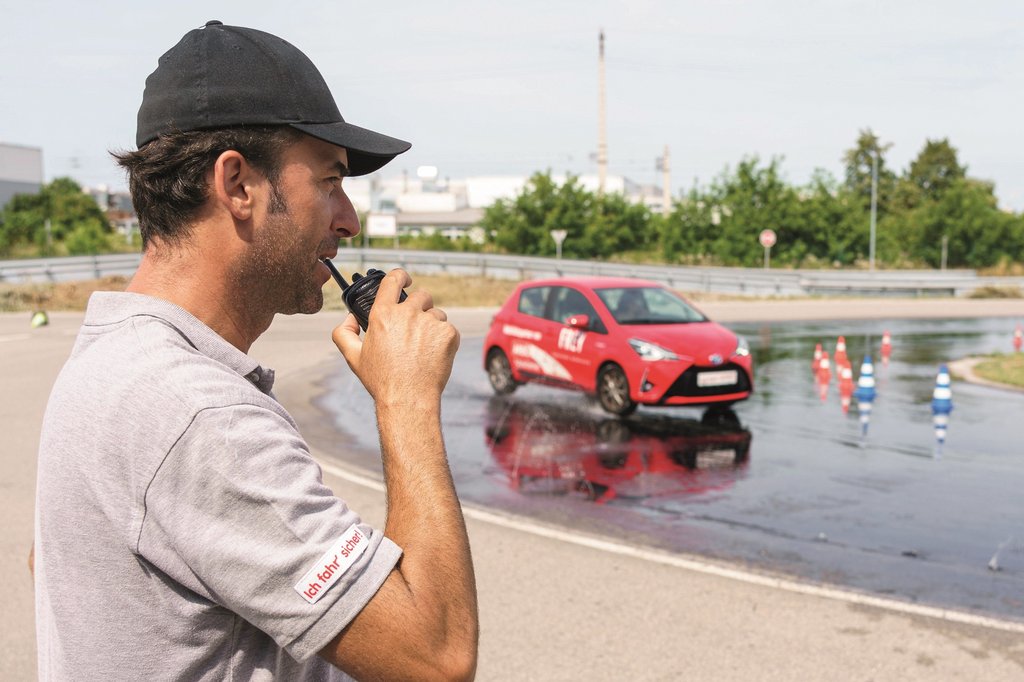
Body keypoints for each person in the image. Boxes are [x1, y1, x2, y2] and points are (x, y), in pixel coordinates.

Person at [34, 20, 478, 681]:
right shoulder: (195, 414)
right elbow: (436, 656)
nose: (348, 218)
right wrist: (407, 400)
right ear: (239, 185)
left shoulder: (112, 360)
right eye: (329, 179)